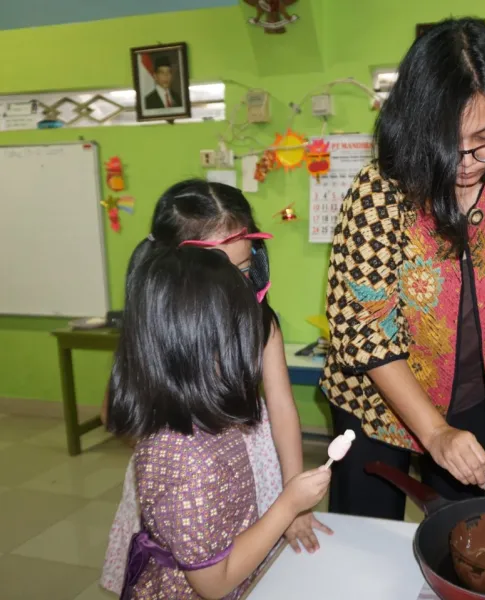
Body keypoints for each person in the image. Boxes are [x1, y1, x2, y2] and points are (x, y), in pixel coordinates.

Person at [321, 18, 485, 520]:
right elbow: (364, 328)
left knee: (467, 532)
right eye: (447, 140)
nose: (466, 161)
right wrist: (434, 431)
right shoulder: (381, 189)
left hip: (475, 396)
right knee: (368, 535)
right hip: (375, 404)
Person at [101, 180, 330, 595]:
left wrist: (293, 499)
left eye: (243, 270)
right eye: (219, 271)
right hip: (191, 471)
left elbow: (281, 406)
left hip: (246, 466)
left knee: (247, 560)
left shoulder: (259, 319)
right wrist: (178, 461)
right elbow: (118, 412)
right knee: (200, 567)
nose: (235, 289)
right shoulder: (161, 331)